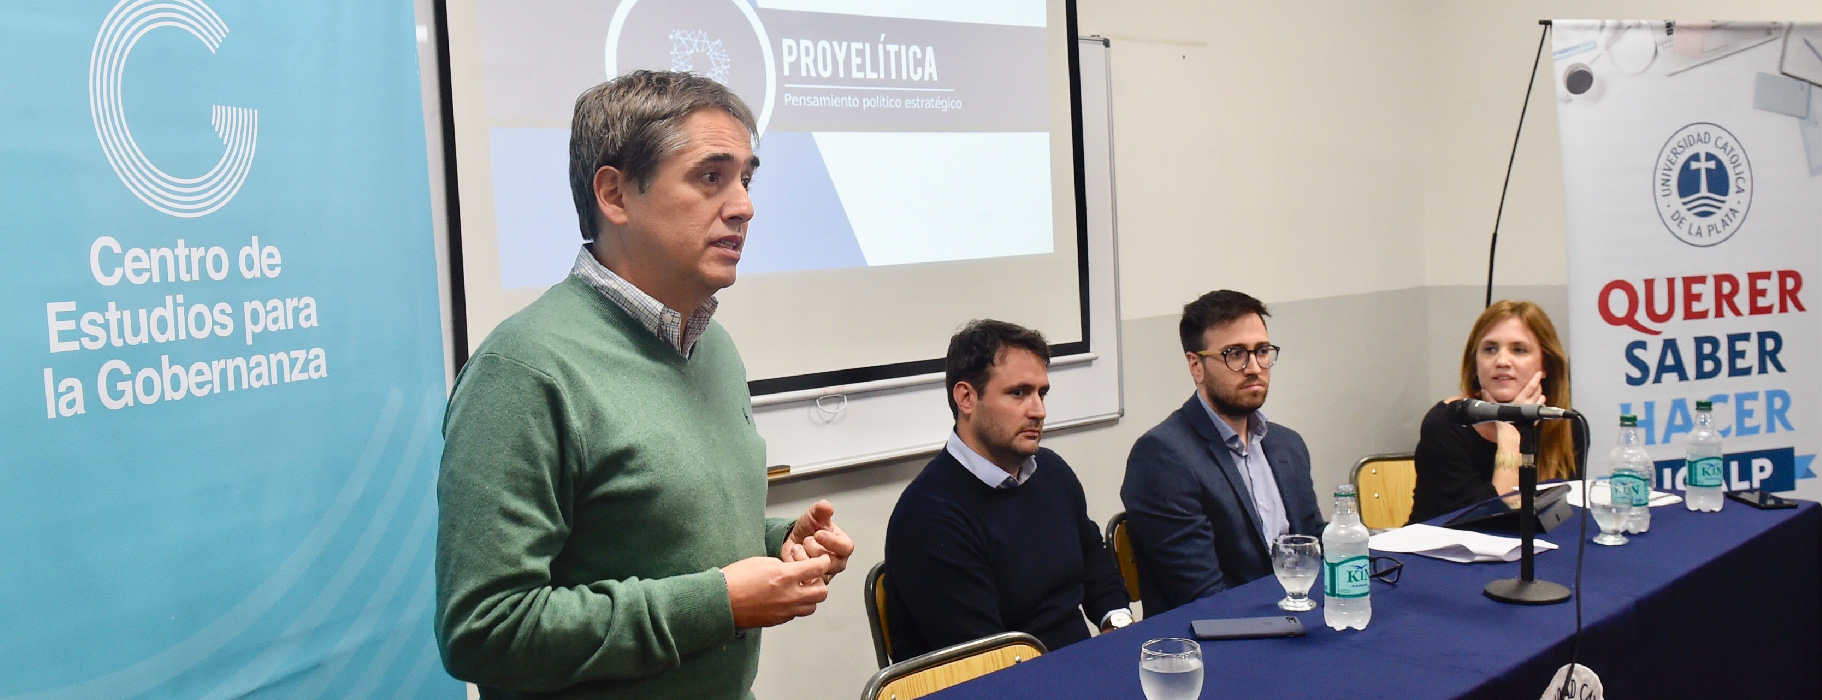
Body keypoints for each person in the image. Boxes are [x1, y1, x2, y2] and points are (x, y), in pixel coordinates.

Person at [435, 71, 854, 700]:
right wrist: (718, 604)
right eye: (710, 177)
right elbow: (484, 630)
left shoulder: (713, 346)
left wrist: (776, 544)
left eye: (745, 179)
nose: (743, 206)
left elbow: (652, 539)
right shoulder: (523, 371)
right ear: (615, 195)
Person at [884, 320, 1133, 661]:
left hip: (1076, 666)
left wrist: (1117, 624)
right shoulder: (928, 517)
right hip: (1003, 679)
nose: (1038, 411)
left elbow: (1093, 561)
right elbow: (988, 659)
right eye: (1019, 393)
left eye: (1041, 393)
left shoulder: (1052, 472)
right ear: (967, 398)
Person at [1121, 290, 1325, 616]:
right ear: (1196, 366)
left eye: (1262, 351)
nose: (1254, 367)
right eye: (1235, 354)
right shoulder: (1163, 457)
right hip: (1222, 632)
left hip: (1300, 617)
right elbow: (1203, 596)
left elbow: (1314, 548)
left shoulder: (1287, 445)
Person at [1408, 300, 1576, 524]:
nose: (1502, 361)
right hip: (1445, 543)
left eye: (1519, 350)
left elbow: (1565, 515)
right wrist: (1510, 437)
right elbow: (1482, 524)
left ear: (1546, 365)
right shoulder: (1446, 424)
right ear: (1475, 364)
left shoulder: (1566, 423)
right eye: (1490, 349)